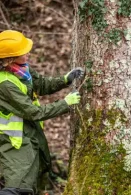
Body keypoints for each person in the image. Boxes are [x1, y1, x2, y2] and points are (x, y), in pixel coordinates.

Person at [0, 30, 84, 195]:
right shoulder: (5, 84)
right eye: (23, 52)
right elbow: (33, 112)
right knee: (17, 186)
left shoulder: (21, 70)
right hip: (13, 139)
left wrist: (65, 79)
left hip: (28, 132)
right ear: (10, 59)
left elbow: (41, 84)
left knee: (32, 181)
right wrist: (65, 103)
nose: (28, 53)